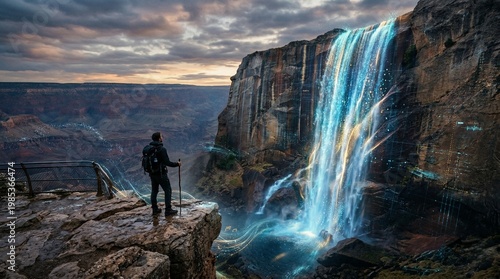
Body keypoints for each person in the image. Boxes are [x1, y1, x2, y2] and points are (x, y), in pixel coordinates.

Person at [148, 132, 181, 216]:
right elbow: (167, 162)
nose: (162, 137)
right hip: (161, 174)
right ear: (159, 139)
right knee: (168, 190)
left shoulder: (149, 148)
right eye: (161, 136)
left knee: (154, 191)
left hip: (152, 173)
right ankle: (168, 210)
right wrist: (177, 164)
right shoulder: (161, 149)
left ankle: (155, 209)